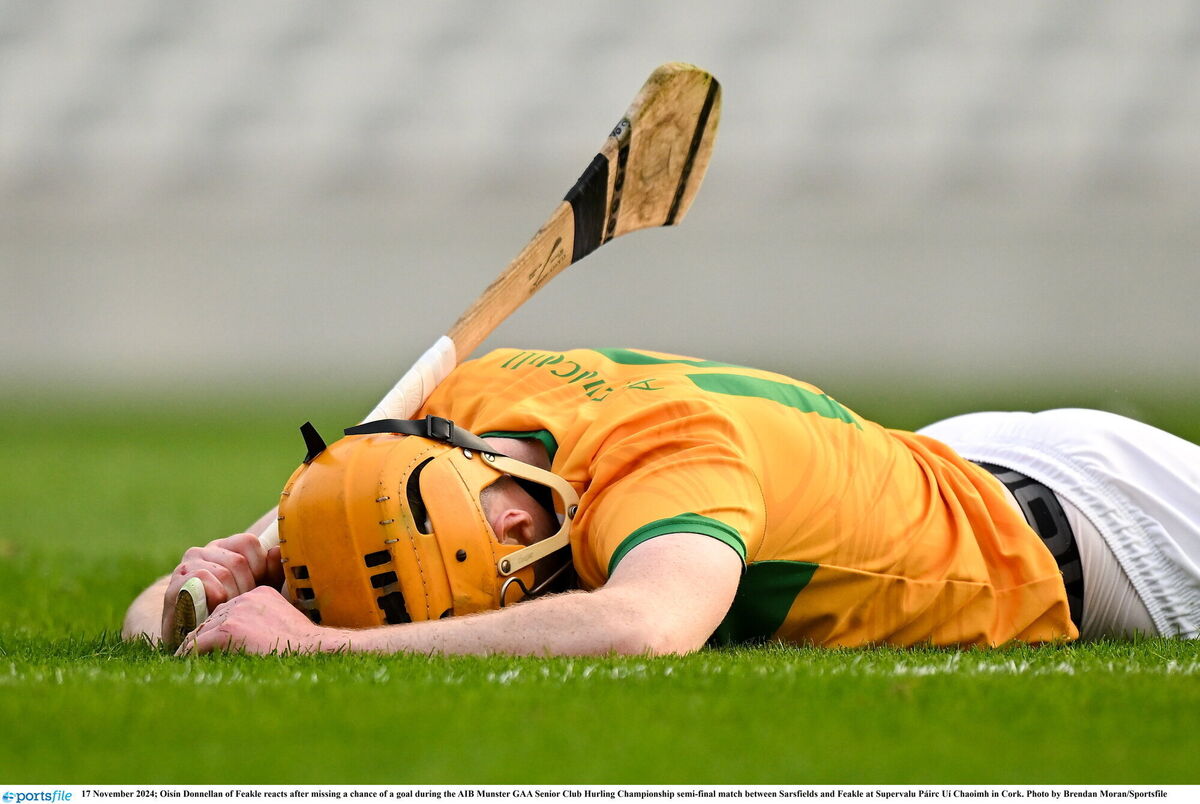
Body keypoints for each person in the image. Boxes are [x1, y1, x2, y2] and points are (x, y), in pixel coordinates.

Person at [121, 347, 1200, 655]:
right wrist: (201, 580)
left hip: (1108, 537)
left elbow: (650, 624)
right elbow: (161, 628)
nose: (526, 551)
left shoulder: (675, 471)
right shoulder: (473, 398)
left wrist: (328, 651)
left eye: (514, 550)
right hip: (961, 458)